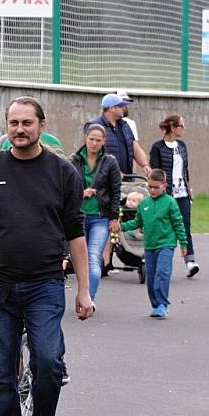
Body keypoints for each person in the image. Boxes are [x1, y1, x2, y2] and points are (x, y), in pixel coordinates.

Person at [0, 96, 93, 416]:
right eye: (14, 123)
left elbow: (75, 233)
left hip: (44, 284)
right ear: (6, 126)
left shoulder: (63, 172)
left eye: (27, 123)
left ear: (41, 126)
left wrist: (84, 289)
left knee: (49, 363)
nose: (20, 130)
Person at [120, 169, 188, 318]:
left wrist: (183, 244)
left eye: (156, 187)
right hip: (150, 245)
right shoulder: (144, 204)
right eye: (150, 186)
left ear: (164, 185)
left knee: (162, 273)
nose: (152, 190)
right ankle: (156, 304)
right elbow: (137, 222)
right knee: (151, 276)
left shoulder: (170, 203)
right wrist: (120, 226)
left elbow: (178, 224)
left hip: (166, 244)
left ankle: (163, 304)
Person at [69, 123, 121, 302]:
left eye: (98, 140)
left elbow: (115, 191)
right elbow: (66, 188)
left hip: (100, 217)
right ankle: (82, 290)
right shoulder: (74, 160)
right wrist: (81, 193)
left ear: (104, 141)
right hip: (77, 216)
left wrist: (114, 217)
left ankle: (89, 298)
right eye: (91, 139)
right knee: (76, 256)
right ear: (85, 138)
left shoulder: (110, 162)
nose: (94, 143)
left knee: (93, 255)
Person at [150, 114, 199, 278]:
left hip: (182, 193)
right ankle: (157, 260)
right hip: (166, 194)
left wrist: (188, 189)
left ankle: (190, 261)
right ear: (173, 127)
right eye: (181, 126)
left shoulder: (182, 146)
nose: (183, 129)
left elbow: (185, 170)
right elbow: (156, 171)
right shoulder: (158, 147)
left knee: (185, 226)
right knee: (162, 227)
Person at [87, 93, 150, 176]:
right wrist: (112, 171)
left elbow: (135, 148)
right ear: (112, 108)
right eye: (120, 106)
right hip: (103, 179)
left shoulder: (125, 125)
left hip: (126, 179)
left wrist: (145, 165)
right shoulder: (95, 126)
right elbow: (89, 154)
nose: (123, 109)